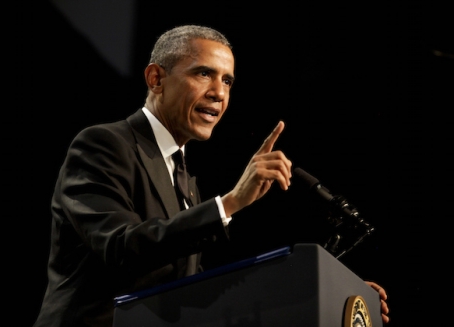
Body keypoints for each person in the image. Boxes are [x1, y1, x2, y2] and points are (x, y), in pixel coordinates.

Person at [33, 25, 389, 327]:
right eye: (203, 73)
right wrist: (231, 202)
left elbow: (196, 290)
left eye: (228, 81)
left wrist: (327, 290)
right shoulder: (103, 144)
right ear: (156, 78)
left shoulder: (186, 177)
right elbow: (120, 247)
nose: (219, 93)